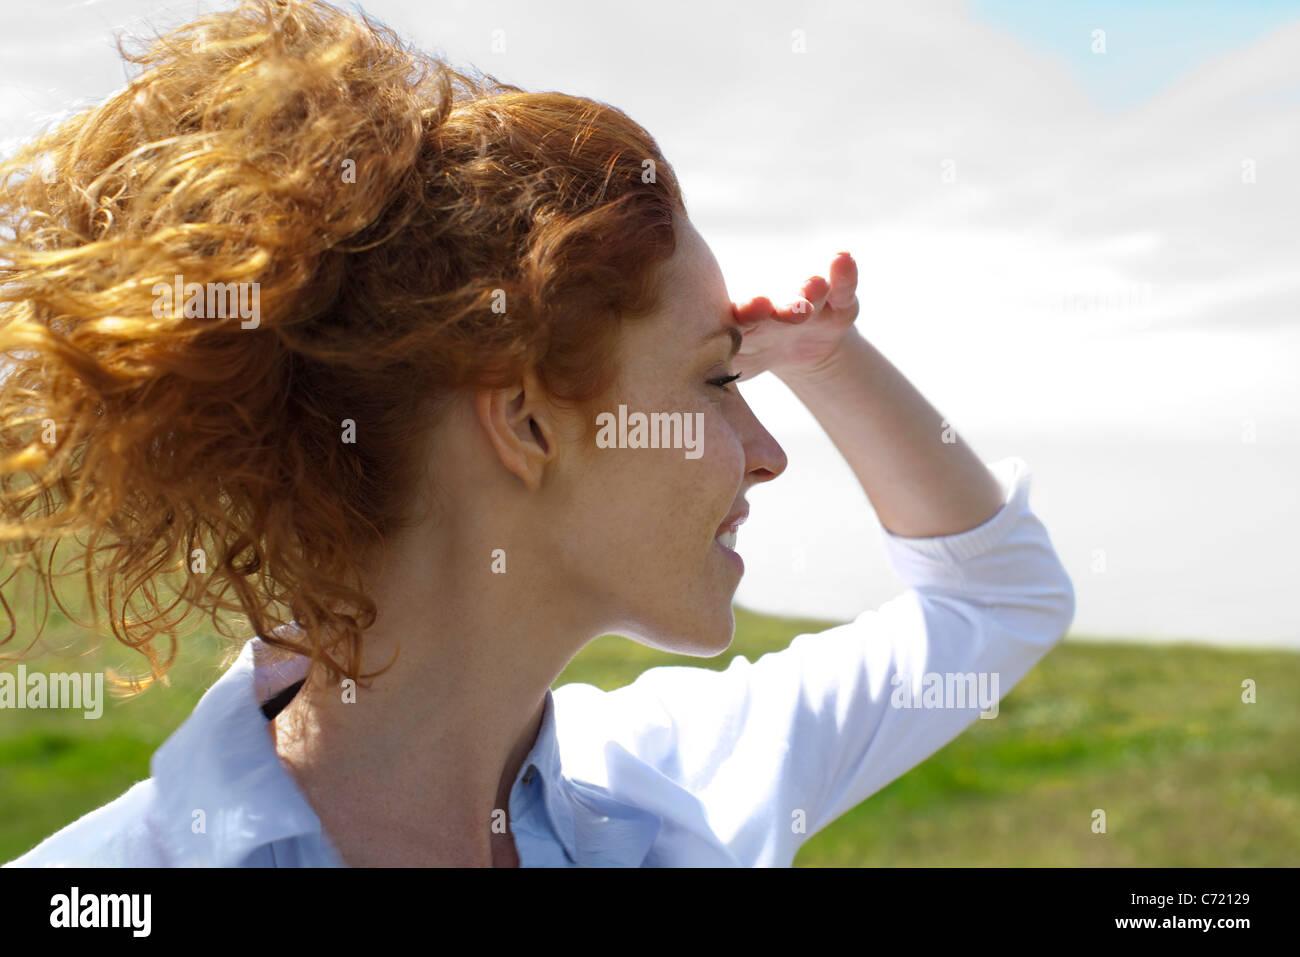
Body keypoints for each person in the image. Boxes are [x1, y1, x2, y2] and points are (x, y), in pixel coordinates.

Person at [0, 0, 1074, 867]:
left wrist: (827, 357)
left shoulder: (675, 779)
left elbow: (997, 604)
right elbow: (995, 601)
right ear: (523, 422)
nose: (767, 451)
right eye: (716, 381)